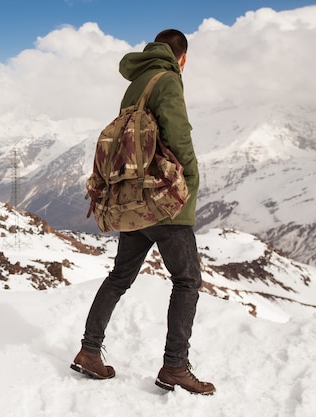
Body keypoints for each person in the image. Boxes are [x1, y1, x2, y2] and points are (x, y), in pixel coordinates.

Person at [70, 29, 216, 395]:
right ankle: (174, 367)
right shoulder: (168, 81)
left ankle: (89, 351)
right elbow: (178, 136)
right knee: (187, 281)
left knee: (120, 277)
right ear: (182, 57)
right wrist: (191, 181)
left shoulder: (137, 83)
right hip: (163, 202)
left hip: (133, 202)